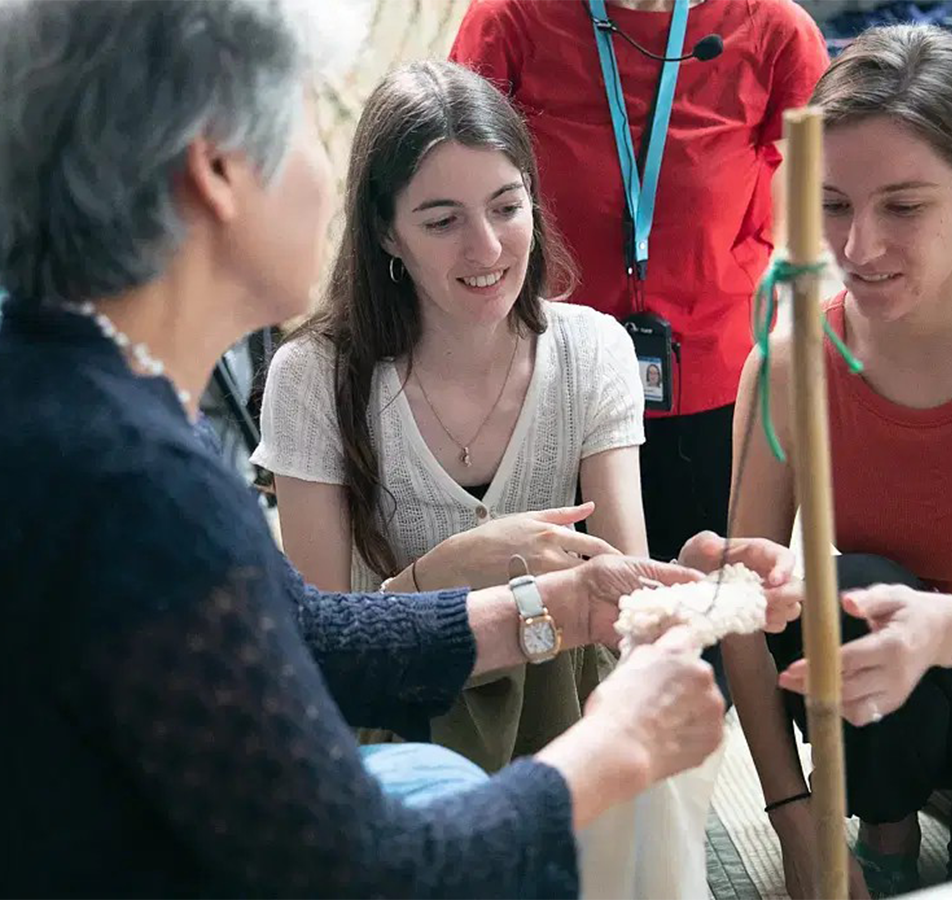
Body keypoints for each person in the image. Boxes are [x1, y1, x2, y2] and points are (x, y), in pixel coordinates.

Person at [0, 1, 803, 896]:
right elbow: (367, 868)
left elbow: (300, 630)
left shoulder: (38, 384)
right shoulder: (127, 479)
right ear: (216, 170)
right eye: (302, 124)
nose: (328, 173)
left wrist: (568, 606)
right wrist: (616, 749)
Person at [722, 24, 952, 899]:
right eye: (835, 204)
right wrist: (796, 822)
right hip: (888, 698)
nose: (857, 249)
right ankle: (881, 818)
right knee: (854, 587)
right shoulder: (786, 358)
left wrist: (949, 630)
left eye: (902, 205)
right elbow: (740, 614)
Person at [253, 59, 652, 772]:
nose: (489, 249)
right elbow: (318, 648)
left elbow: (629, 606)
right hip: (395, 729)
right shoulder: (313, 375)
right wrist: (448, 569)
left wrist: (709, 587)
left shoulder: (595, 350)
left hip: (566, 725)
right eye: (443, 221)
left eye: (507, 206)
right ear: (385, 234)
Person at [450, 0, 829, 565]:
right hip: (545, 377)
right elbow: (454, 174)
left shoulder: (774, 28)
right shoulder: (510, 18)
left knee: (717, 606)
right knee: (565, 614)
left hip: (715, 379)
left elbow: (810, 212)